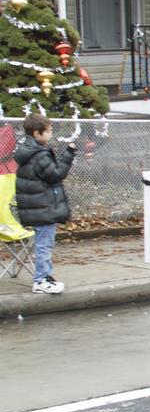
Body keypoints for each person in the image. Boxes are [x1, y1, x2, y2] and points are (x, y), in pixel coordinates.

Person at [15, 113, 75, 294]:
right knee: (44, 245)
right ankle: (41, 280)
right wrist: (69, 154)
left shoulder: (27, 151)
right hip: (43, 208)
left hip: (38, 207)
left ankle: (45, 277)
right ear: (36, 134)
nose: (50, 135)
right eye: (48, 132)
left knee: (43, 244)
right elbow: (56, 174)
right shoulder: (39, 155)